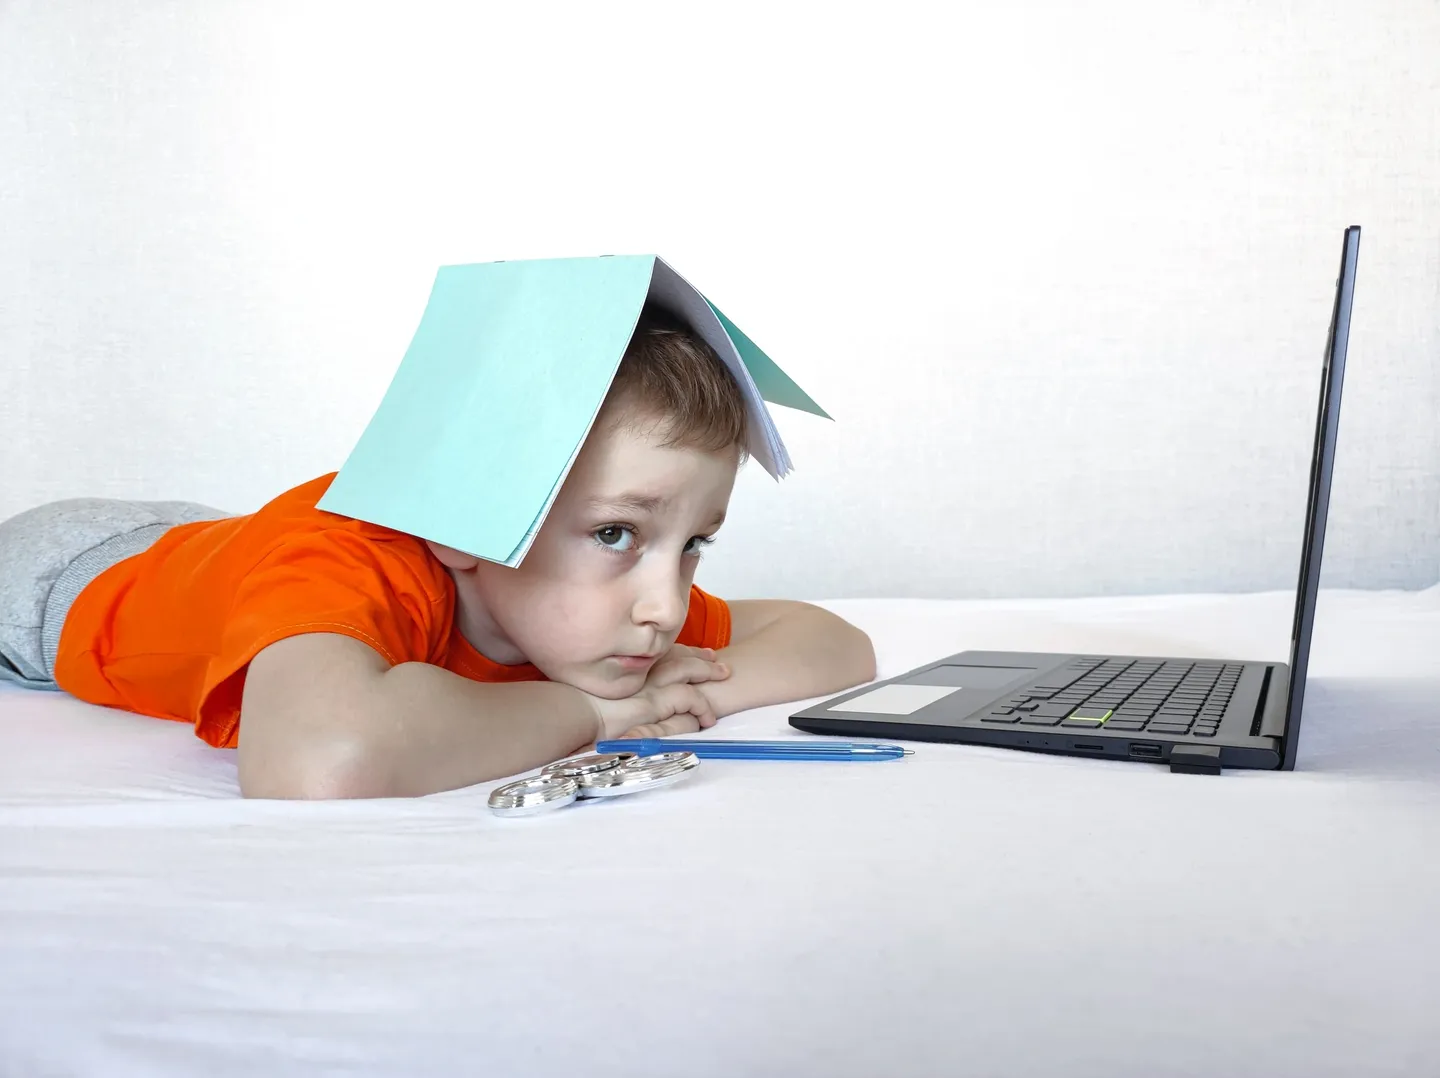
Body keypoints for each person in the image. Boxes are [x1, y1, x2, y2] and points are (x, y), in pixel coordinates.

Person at [0, 313, 876, 798]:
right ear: (465, 523)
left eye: (693, 545)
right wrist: (597, 717)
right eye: (617, 533)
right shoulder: (349, 568)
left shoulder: (602, 611)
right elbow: (321, 760)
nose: (668, 606)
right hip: (63, 576)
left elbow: (831, 641)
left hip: (221, 545)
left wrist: (654, 689)